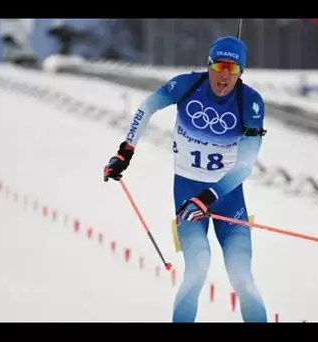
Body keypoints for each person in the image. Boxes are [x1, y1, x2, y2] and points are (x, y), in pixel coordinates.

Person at [103, 36, 268, 323]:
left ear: (241, 72)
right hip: (187, 194)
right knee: (197, 268)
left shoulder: (251, 102)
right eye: (220, 66)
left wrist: (208, 198)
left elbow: (245, 165)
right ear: (209, 65)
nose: (225, 75)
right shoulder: (188, 85)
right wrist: (125, 152)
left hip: (228, 198)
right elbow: (146, 107)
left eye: (233, 69)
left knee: (242, 277)